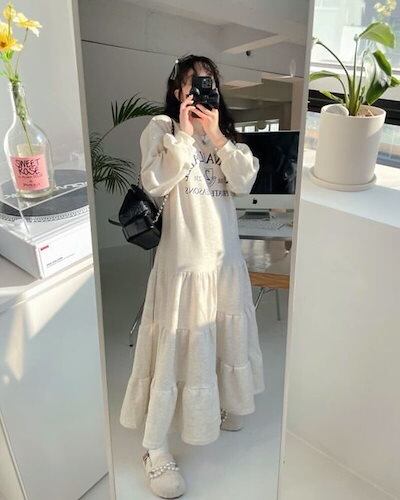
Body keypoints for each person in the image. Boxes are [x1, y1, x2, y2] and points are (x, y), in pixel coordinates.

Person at [120, 54, 265, 498]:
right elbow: (155, 182)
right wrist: (184, 134)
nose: (200, 90)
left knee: (217, 340)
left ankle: (214, 405)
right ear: (177, 91)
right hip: (183, 265)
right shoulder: (161, 129)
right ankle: (155, 447)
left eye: (208, 83)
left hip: (224, 265)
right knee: (172, 350)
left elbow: (244, 181)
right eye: (191, 83)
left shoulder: (226, 137)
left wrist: (216, 134)